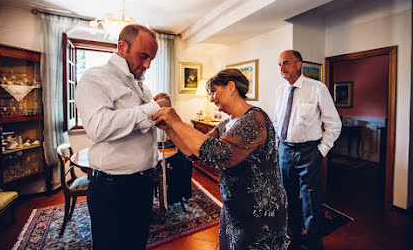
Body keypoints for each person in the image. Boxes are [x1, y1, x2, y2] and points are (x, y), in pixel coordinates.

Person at [153, 69, 288, 250]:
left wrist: (176, 121)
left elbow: (222, 155)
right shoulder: (226, 125)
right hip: (234, 210)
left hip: (260, 213)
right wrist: (170, 128)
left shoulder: (255, 118)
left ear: (231, 87)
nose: (211, 98)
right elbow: (194, 151)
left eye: (214, 92)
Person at [75, 24, 171, 250]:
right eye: (143, 56)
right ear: (121, 47)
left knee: (137, 243)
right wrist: (151, 108)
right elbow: (98, 127)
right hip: (113, 188)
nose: (147, 65)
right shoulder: (95, 78)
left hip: (143, 183)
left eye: (152, 59)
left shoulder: (143, 87)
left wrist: (157, 110)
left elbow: (142, 124)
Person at [274, 50, 341, 250]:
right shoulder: (280, 90)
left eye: (285, 63)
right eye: (279, 64)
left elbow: (334, 124)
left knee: (311, 203)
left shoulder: (317, 88)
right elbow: (278, 122)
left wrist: (320, 151)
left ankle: (313, 245)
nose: (282, 68)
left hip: (309, 153)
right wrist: (279, 145)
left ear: (299, 64)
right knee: (289, 199)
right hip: (285, 151)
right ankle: (294, 240)